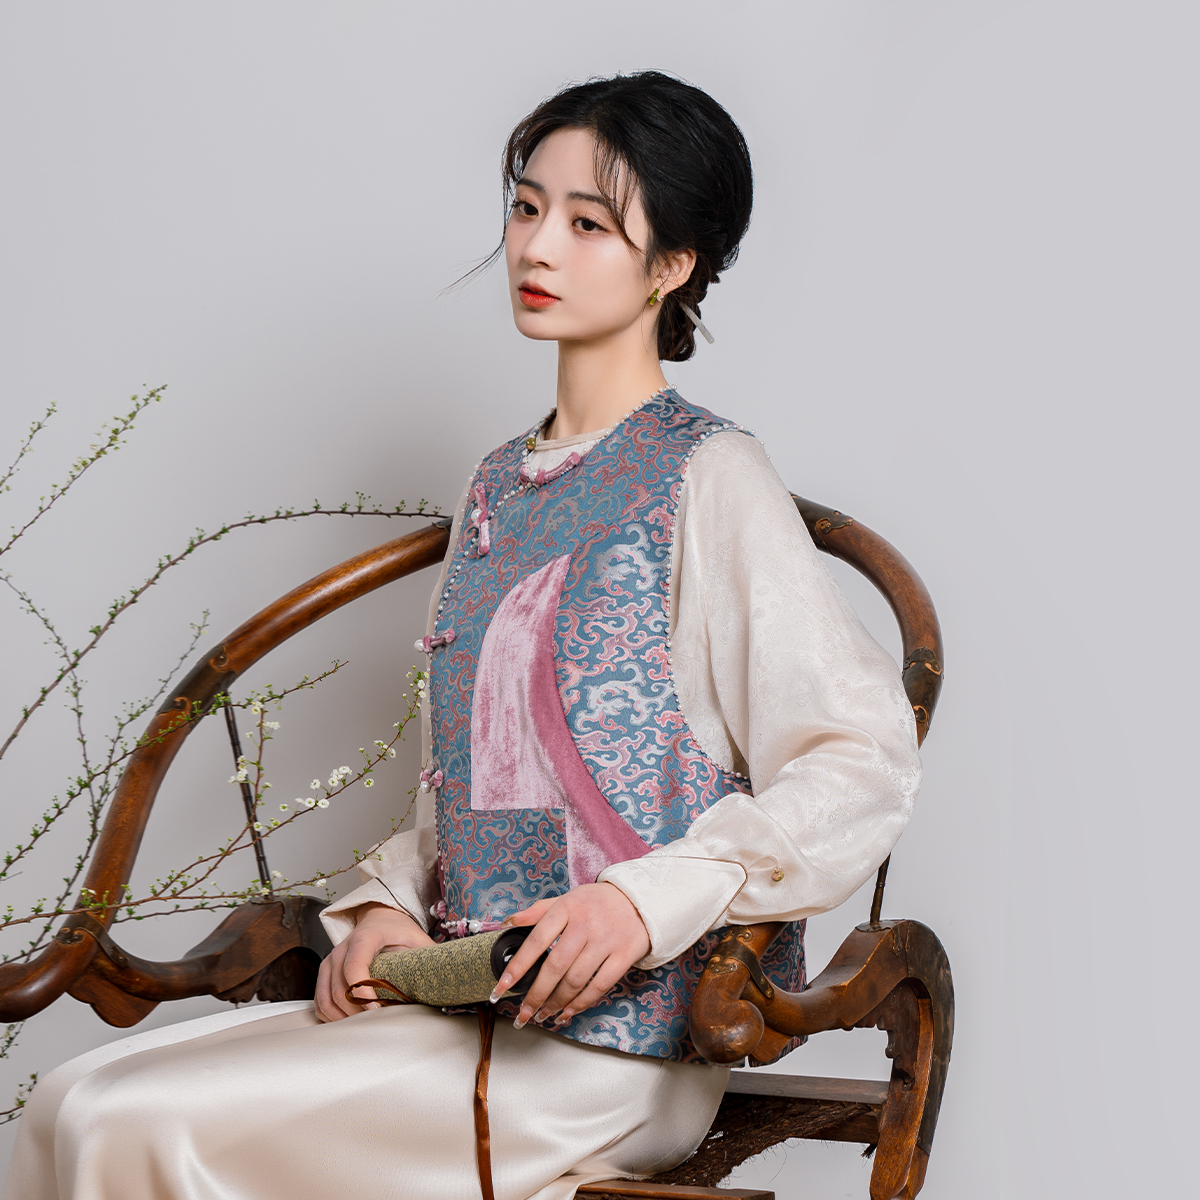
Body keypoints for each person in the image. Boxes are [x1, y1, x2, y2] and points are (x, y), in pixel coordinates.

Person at [4, 71, 921, 1200]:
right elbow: (478, 782)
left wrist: (643, 900)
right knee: (66, 1102)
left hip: (618, 1051)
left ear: (673, 264)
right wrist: (389, 904)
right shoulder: (496, 487)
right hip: (462, 1003)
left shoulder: (709, 475)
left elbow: (860, 758)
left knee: (130, 1127)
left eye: (589, 224)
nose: (536, 246)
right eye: (528, 208)